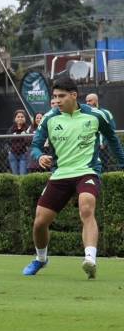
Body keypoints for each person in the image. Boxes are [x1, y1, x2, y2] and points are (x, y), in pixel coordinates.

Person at [22, 77, 124, 280]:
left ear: (74, 95)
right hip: (60, 174)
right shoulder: (50, 119)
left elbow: (112, 139)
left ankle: (90, 259)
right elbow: (34, 146)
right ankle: (41, 259)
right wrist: (39, 156)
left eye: (61, 96)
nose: (57, 100)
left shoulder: (96, 115)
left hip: (87, 171)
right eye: (54, 97)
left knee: (86, 207)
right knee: (39, 223)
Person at [85, 93, 115, 171]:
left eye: (90, 101)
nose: (87, 103)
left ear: (96, 101)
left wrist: (104, 143)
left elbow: (111, 129)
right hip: (90, 148)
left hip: (103, 148)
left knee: (105, 168)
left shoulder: (106, 113)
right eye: (86, 101)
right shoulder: (85, 115)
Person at [7, 109, 32, 175]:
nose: (20, 118)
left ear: (25, 118)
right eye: (18, 117)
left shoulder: (28, 128)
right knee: (15, 175)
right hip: (13, 154)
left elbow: (30, 141)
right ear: (15, 118)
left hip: (24, 154)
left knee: (22, 175)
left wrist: (25, 136)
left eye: (22, 117)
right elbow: (7, 141)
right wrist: (9, 151)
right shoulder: (11, 129)